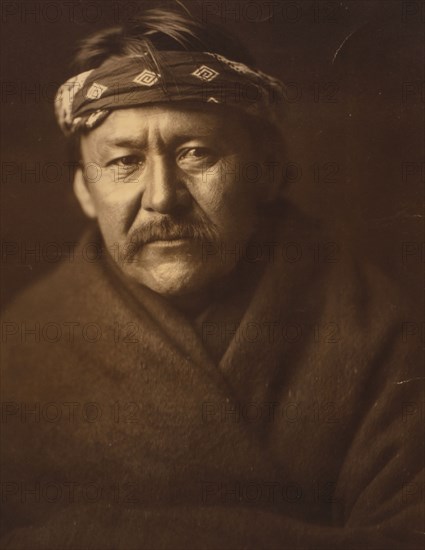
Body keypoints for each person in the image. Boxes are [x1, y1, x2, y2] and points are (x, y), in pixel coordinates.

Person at [1, 6, 422, 549]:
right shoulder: (20, 350)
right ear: (84, 188)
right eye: (125, 161)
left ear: (266, 170)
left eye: (195, 153)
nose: (162, 198)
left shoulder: (384, 333)